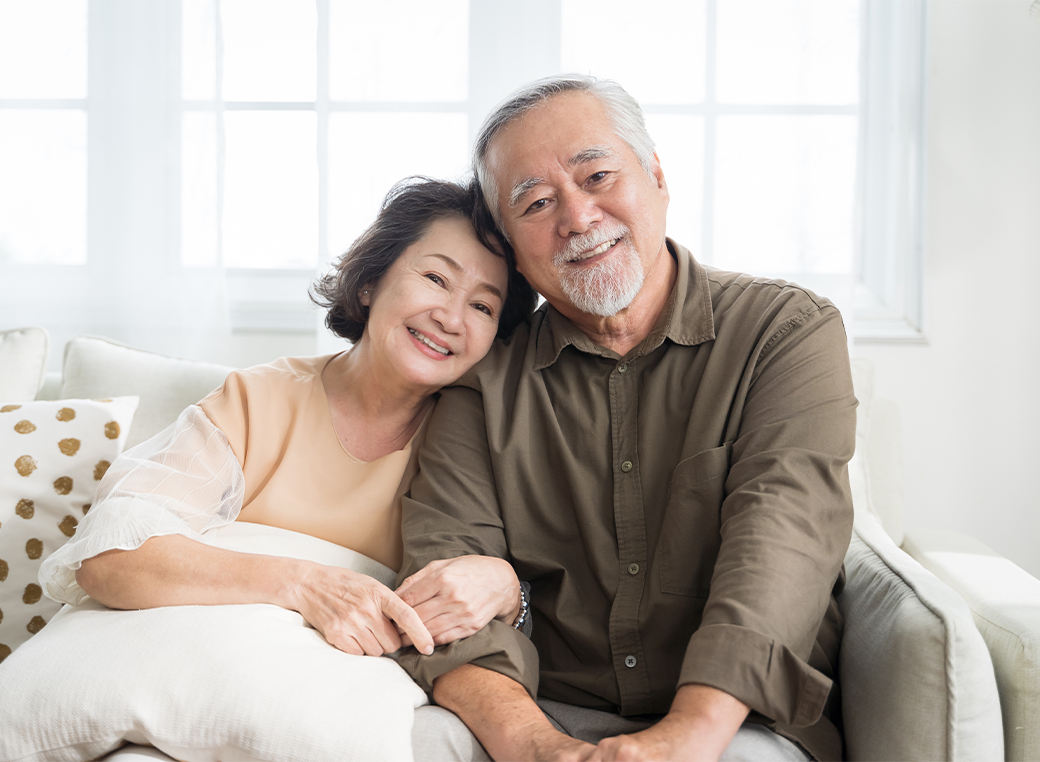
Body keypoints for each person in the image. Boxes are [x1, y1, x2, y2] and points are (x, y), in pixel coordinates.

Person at [395, 77, 857, 762]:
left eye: (598, 175)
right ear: (510, 245)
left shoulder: (784, 332)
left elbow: (782, 545)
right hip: (539, 712)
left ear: (658, 177)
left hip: (734, 725)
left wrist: (682, 741)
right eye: (538, 202)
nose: (578, 218)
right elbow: (445, 583)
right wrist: (536, 748)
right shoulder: (484, 380)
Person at [40, 177, 538, 659]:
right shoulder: (257, 400)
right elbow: (111, 557)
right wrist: (305, 584)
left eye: (482, 306)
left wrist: (507, 587)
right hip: (212, 663)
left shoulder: (484, 440)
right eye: (435, 278)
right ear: (370, 282)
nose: (451, 318)